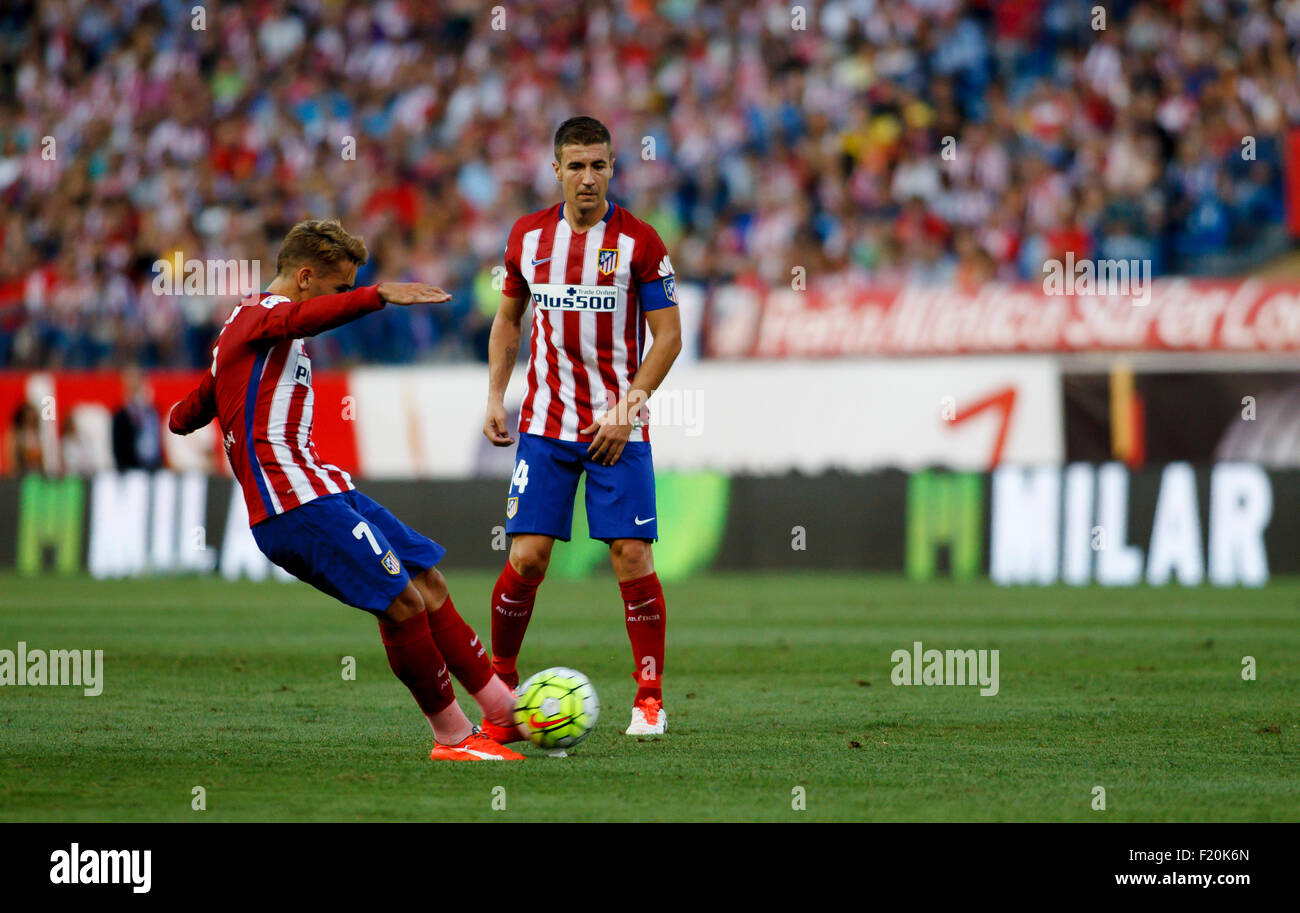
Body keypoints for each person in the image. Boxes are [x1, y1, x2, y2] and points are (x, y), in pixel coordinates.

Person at [169, 218, 524, 761]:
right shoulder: (260, 316)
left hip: (325, 488)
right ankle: (452, 737)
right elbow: (305, 315)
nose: (343, 297)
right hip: (292, 504)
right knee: (402, 603)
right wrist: (376, 295)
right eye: (339, 286)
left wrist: (181, 414)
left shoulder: (245, 336)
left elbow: (195, 406)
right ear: (305, 277)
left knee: (427, 582)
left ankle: (502, 712)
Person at [481, 117, 683, 740]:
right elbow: (508, 320)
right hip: (544, 425)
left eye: (598, 165)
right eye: (576, 166)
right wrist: (495, 394)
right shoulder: (527, 237)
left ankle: (648, 699)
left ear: (612, 169)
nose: (587, 178)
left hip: (618, 427)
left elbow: (669, 337)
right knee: (529, 556)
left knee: (631, 556)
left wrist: (627, 410)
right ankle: (502, 690)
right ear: (557, 170)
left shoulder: (641, 242)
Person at [111, 365, 162, 471]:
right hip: (130, 470)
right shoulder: (121, 415)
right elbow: (118, 446)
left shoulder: (152, 413)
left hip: (153, 468)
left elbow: (156, 441)